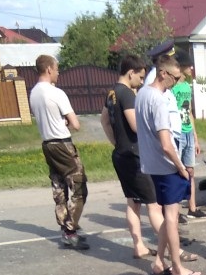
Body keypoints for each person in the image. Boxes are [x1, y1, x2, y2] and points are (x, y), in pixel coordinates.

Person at [135, 54, 201, 275]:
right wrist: (181, 167)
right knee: (171, 217)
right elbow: (166, 144)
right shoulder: (159, 100)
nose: (175, 82)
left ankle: (158, 261)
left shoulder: (142, 94)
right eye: (174, 77)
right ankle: (177, 266)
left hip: (152, 165)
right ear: (163, 73)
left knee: (167, 215)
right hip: (166, 166)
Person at [100, 54, 164, 259]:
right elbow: (136, 125)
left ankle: (139, 246)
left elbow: (104, 121)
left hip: (121, 154)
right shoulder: (127, 94)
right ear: (130, 73)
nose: (142, 81)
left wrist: (116, 142)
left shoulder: (111, 93)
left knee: (133, 203)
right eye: (140, 76)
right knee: (153, 205)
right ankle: (171, 248)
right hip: (135, 156)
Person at [29, 54, 89, 250]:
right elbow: (76, 124)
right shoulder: (56, 93)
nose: (58, 72)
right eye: (56, 69)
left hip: (47, 144)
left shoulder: (34, 93)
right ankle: (70, 230)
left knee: (59, 187)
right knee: (79, 187)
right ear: (48, 69)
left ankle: (64, 226)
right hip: (63, 144)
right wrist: (66, 122)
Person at [171, 50, 206, 219]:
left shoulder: (186, 86)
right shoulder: (172, 88)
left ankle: (192, 206)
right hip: (177, 133)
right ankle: (175, 209)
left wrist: (195, 136)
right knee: (177, 171)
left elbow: (189, 111)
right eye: (188, 65)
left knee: (190, 171)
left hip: (187, 131)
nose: (190, 68)